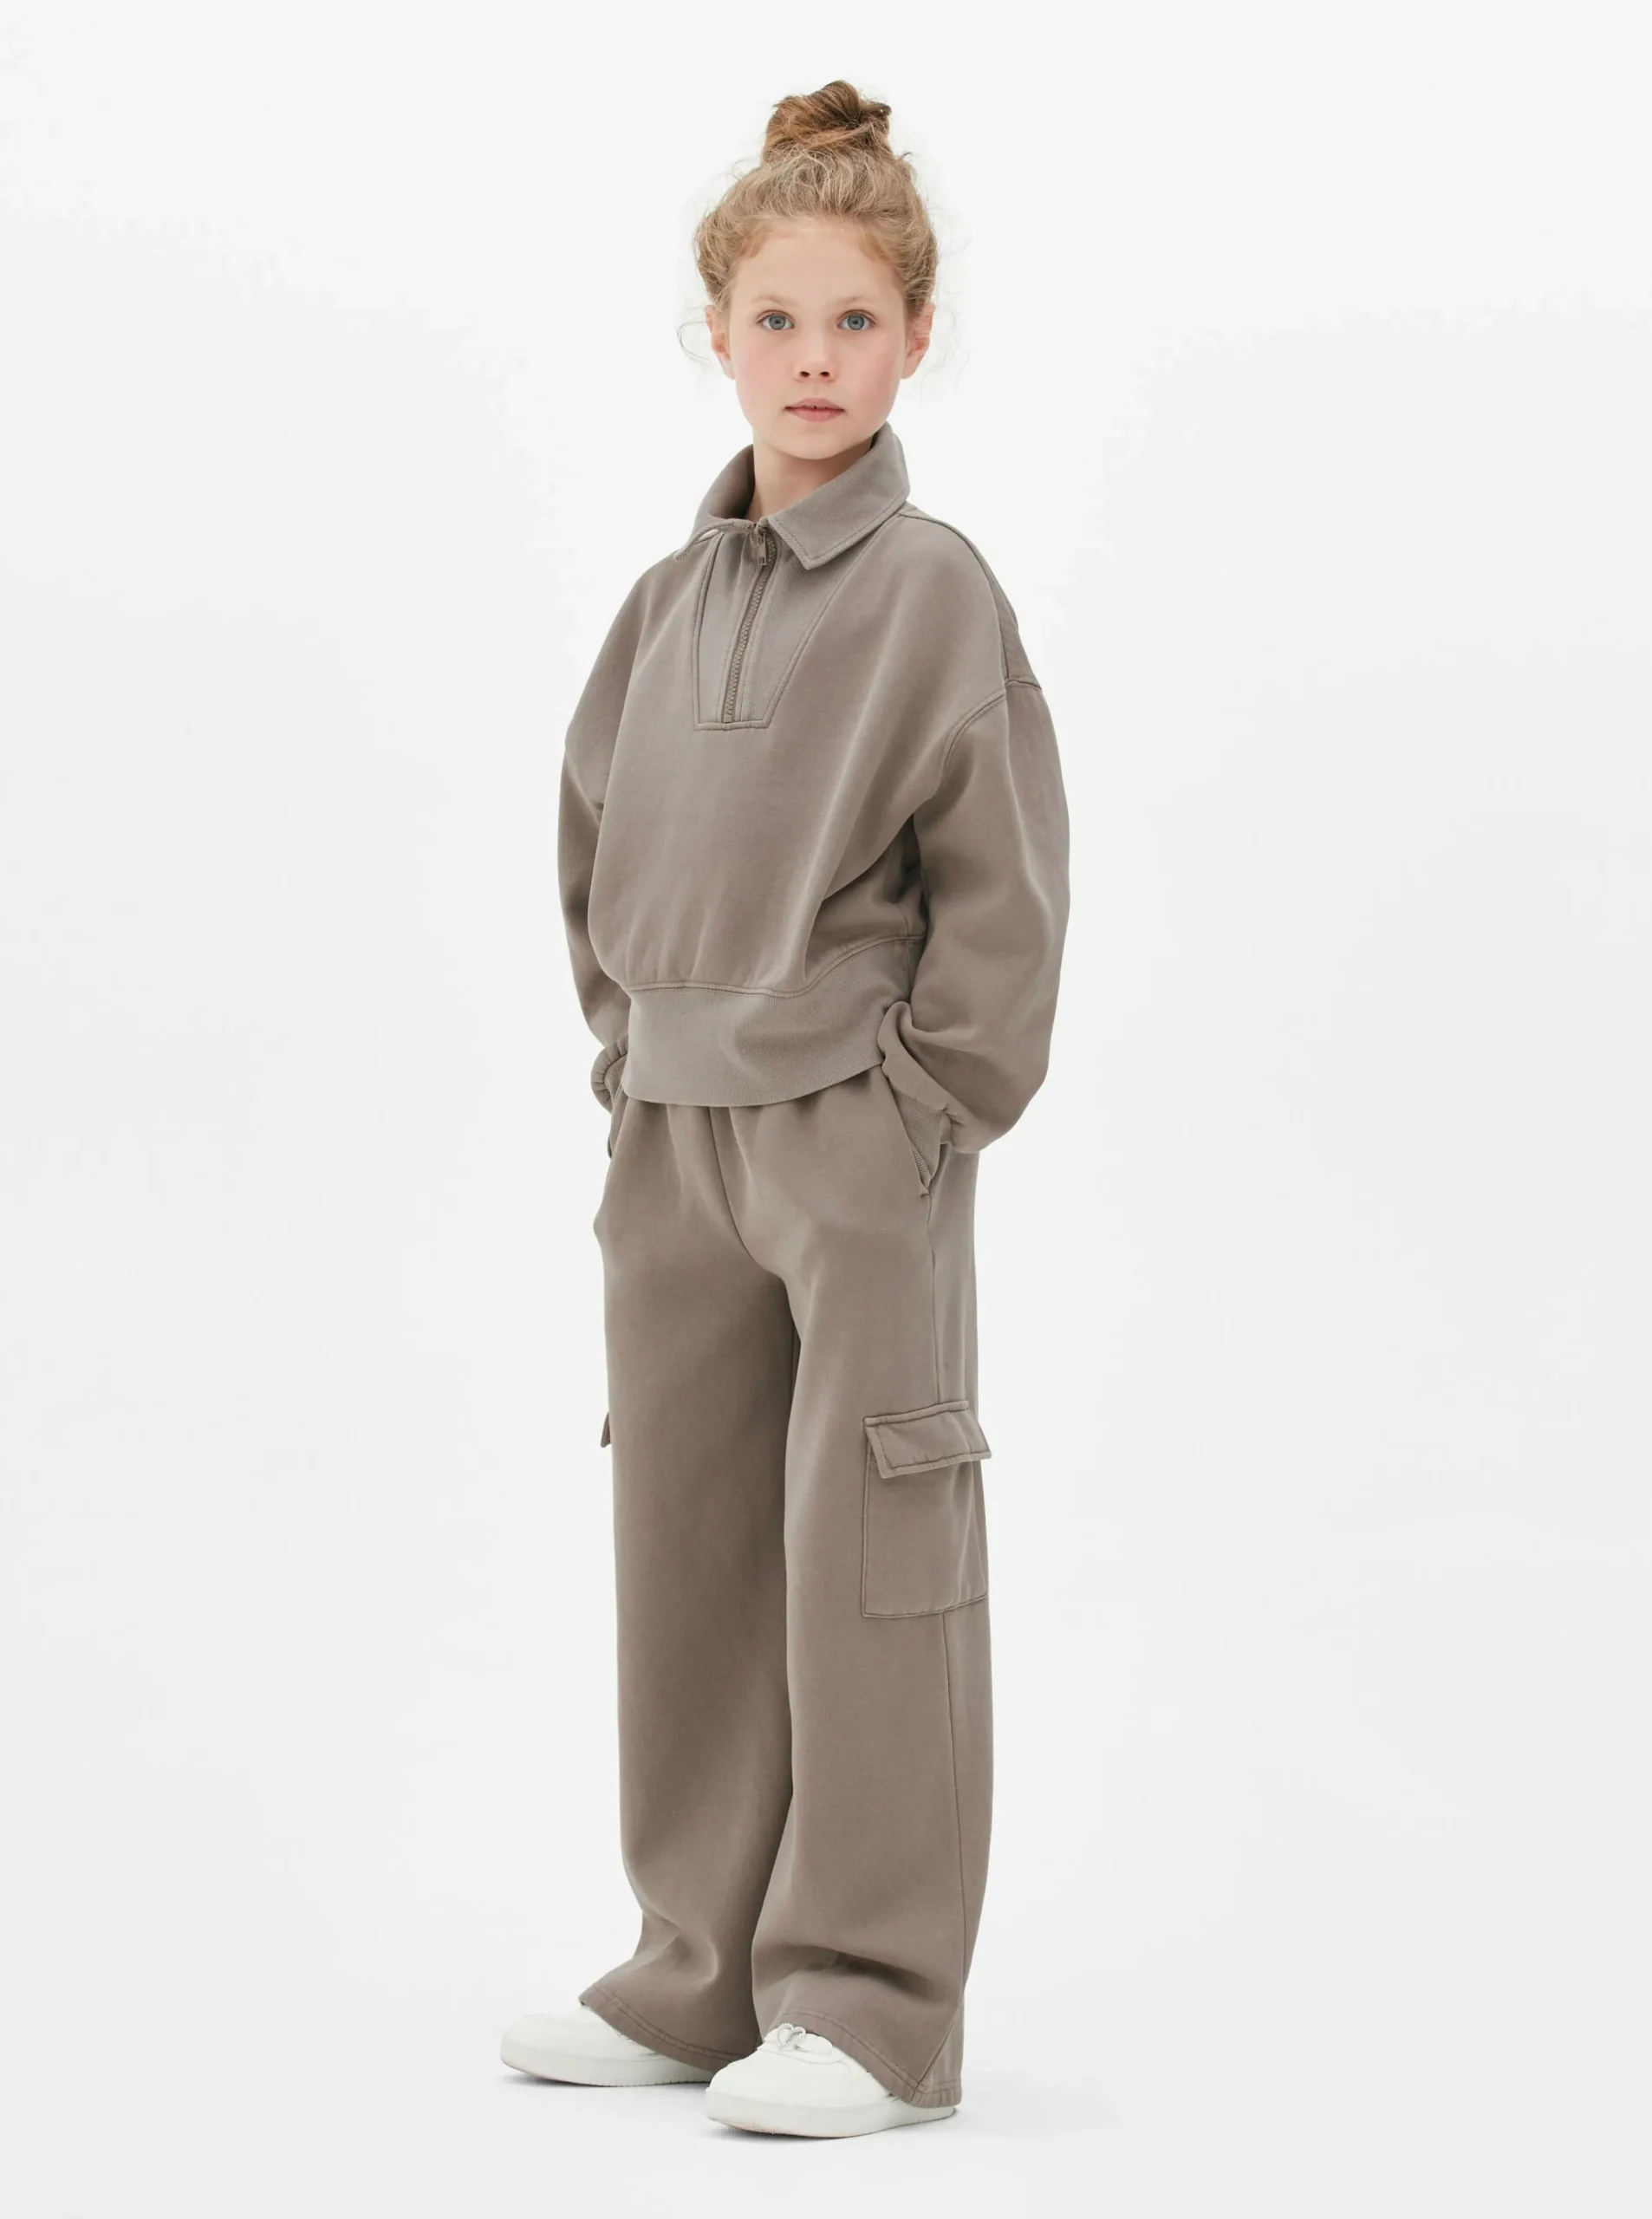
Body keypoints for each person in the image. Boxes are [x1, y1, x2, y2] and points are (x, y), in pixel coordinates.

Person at [501, 78, 1071, 2139]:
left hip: (852, 1135)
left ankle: (875, 2001)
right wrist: (630, 1071)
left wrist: (921, 1111)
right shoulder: (664, 604)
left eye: (853, 322)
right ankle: (699, 1966)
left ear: (915, 338)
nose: (812, 360)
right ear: (716, 334)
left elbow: (1004, 890)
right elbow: (592, 841)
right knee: (689, 1548)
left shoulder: (934, 589)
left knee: (869, 1557)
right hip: (673, 1140)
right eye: (775, 321)